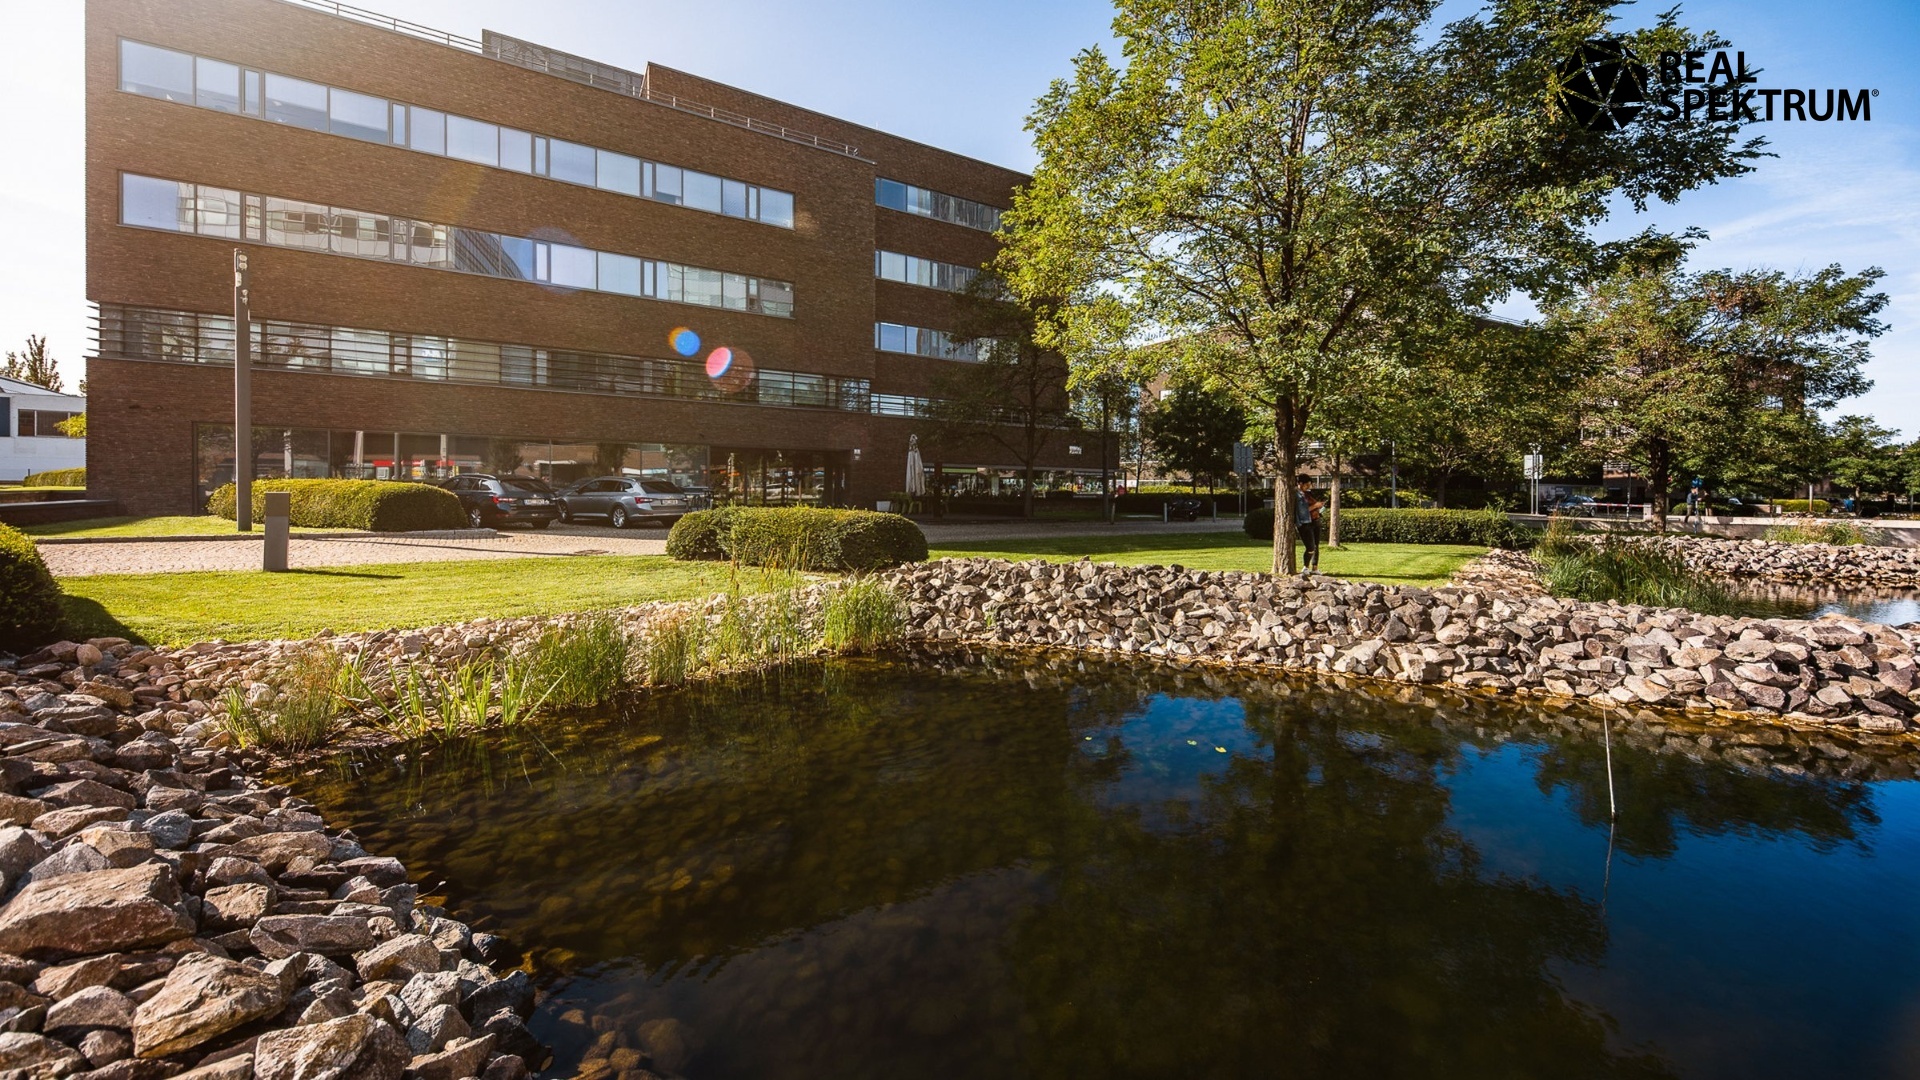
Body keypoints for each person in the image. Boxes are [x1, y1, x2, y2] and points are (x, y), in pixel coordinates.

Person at [1295, 474, 1322, 572]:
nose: (1308, 487)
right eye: (1307, 485)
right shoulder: (1298, 495)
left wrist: (1319, 507)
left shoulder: (1308, 494)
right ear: (1300, 483)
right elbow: (1302, 511)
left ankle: (1315, 568)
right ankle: (1305, 567)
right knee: (1310, 547)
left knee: (1316, 545)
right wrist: (1315, 506)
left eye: (1309, 485)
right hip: (1305, 523)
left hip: (1315, 520)